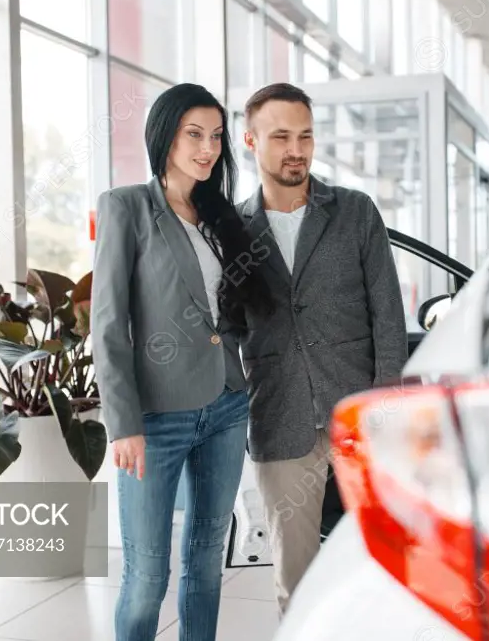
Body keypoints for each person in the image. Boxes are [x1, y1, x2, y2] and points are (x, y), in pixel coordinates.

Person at [91, 82, 276, 641]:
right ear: (164, 136)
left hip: (224, 407)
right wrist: (122, 424)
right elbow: (107, 323)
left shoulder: (221, 216)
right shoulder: (127, 207)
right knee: (147, 576)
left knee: (206, 566)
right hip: (155, 419)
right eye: (194, 134)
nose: (207, 148)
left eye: (216, 136)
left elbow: (233, 317)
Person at [236, 82, 408, 615]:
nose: (296, 149)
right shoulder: (232, 230)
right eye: (282, 136)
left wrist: (384, 409)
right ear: (250, 141)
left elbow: (388, 314)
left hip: (357, 413)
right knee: (296, 574)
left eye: (305, 136)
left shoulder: (355, 212)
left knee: (385, 562)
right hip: (280, 415)